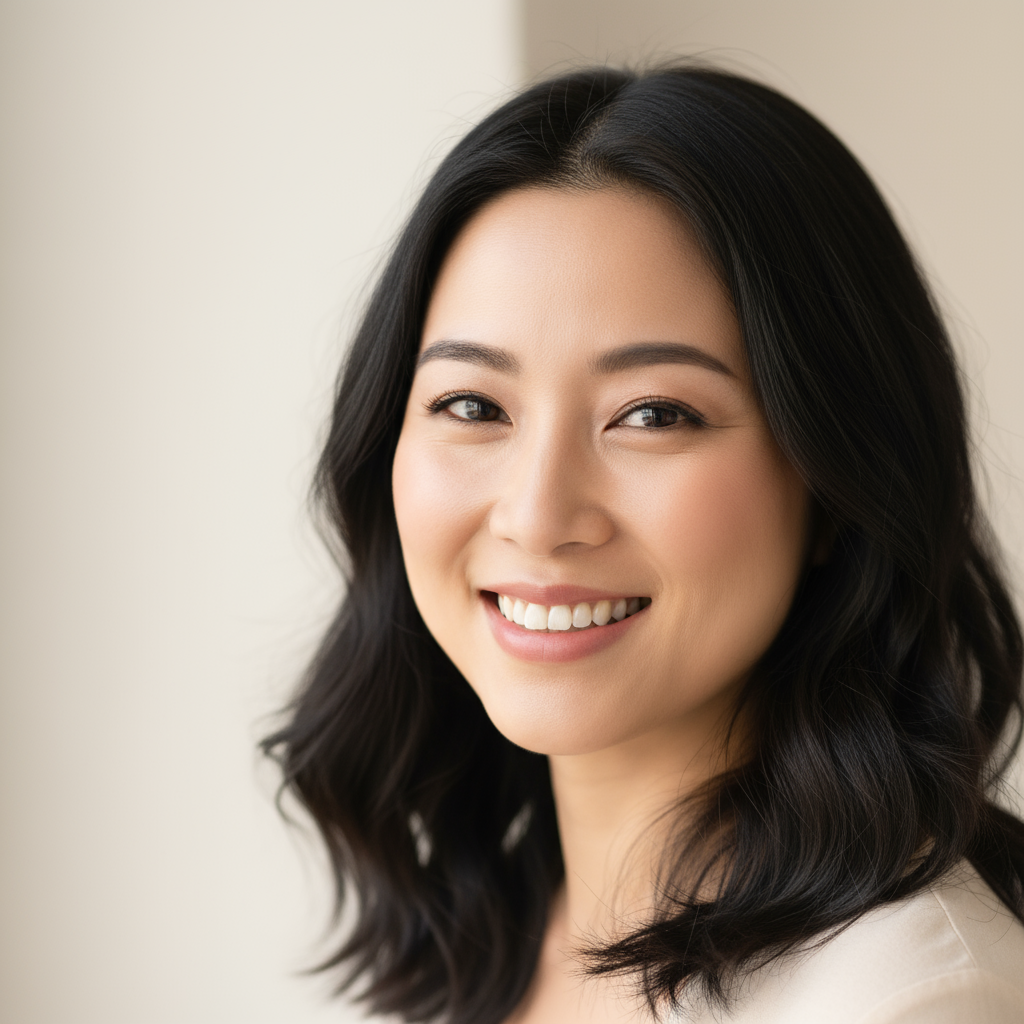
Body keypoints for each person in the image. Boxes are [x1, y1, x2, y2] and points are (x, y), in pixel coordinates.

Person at [263, 64, 1024, 1023]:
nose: (538, 515)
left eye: (654, 414)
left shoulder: (910, 1000)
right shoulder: (486, 937)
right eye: (473, 405)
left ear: (838, 483)